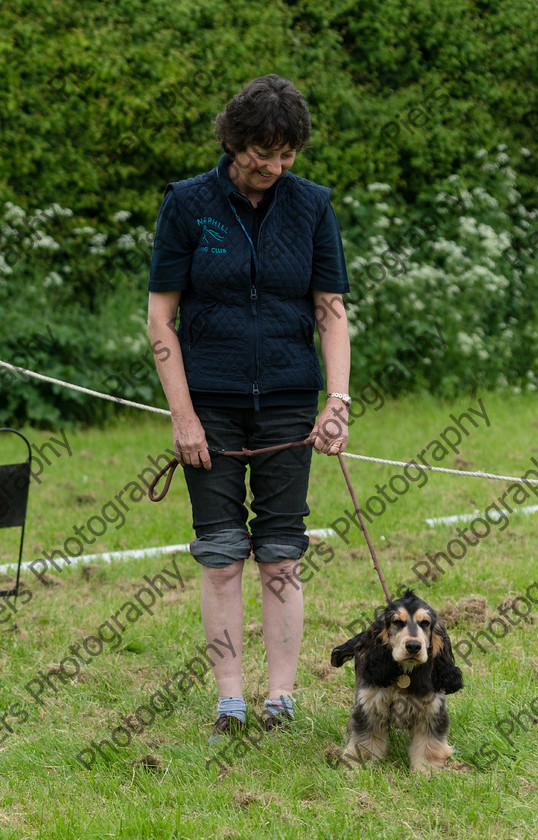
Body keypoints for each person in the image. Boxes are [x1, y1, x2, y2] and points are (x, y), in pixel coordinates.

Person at [148, 74, 351, 738]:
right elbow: (161, 318)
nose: (274, 165)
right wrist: (183, 415)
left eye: (287, 153)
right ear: (234, 139)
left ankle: (283, 699)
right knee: (222, 553)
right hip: (209, 405)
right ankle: (231, 700)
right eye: (263, 151)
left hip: (290, 402)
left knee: (283, 554)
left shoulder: (312, 206)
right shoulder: (187, 204)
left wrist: (337, 401)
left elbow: (331, 311)